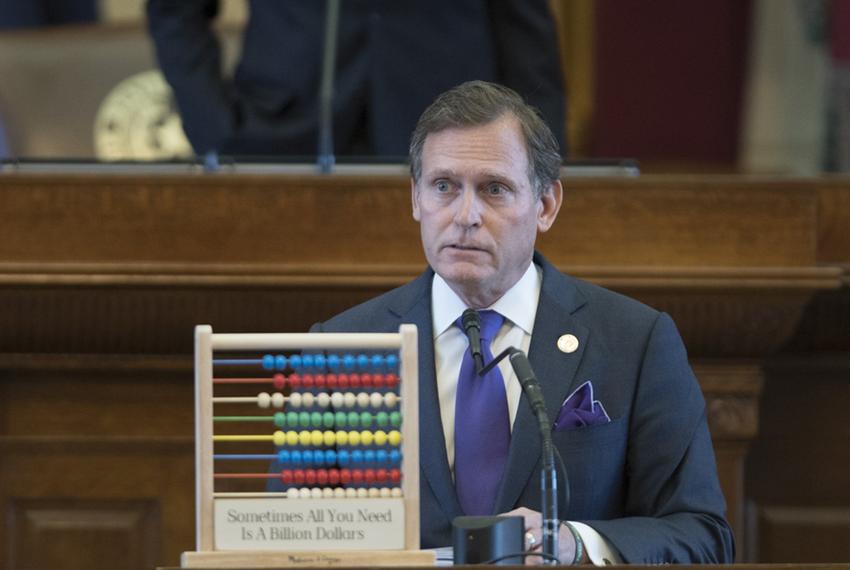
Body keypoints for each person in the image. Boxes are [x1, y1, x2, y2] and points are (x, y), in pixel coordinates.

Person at [297, 80, 735, 564]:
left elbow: (702, 534)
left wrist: (577, 544)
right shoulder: (344, 346)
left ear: (546, 205)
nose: (466, 215)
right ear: (416, 200)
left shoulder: (635, 341)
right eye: (444, 187)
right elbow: (290, 542)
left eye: (495, 189)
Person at [145, 0, 565, 158]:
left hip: (452, 138)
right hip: (276, 133)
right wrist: (211, 125)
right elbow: (174, 10)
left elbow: (524, 31)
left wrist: (536, 157)